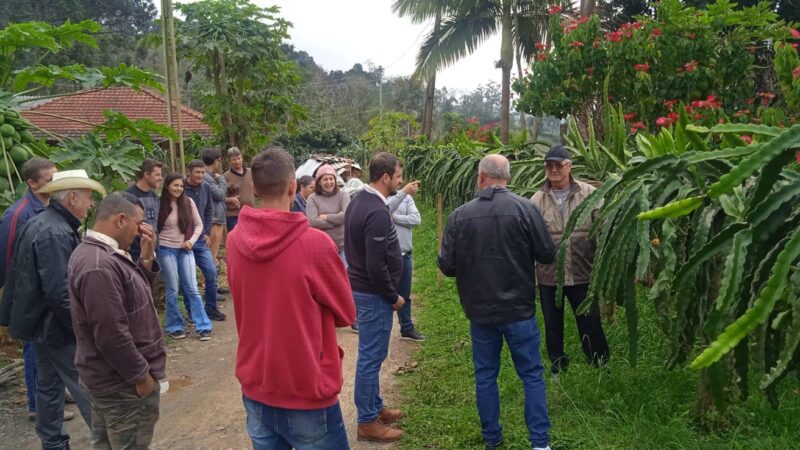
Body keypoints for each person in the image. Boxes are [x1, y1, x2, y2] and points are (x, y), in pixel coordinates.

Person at [227, 147, 356, 449]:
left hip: (257, 386)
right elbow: (347, 312)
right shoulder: (314, 244)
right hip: (306, 388)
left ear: (255, 189)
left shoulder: (234, 242)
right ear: (293, 187)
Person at [438, 155, 556, 450]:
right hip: (519, 311)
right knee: (531, 375)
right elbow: (546, 254)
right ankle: (540, 443)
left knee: (486, 377)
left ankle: (493, 439)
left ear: (480, 177)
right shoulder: (525, 209)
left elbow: (448, 266)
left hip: (480, 312)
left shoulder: (459, 216)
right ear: (508, 177)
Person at [0, 169, 105, 450]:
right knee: (87, 385)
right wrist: (80, 330)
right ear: (72, 198)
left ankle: (53, 442)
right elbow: (60, 292)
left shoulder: (42, 223)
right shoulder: (55, 232)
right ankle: (110, 441)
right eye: (88, 197)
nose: (91, 204)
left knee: (48, 386)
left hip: (39, 324)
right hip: (54, 326)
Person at [68, 192, 166, 449]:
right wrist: (141, 377)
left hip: (111, 381)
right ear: (121, 220)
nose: (139, 232)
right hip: (122, 385)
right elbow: (111, 334)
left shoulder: (101, 255)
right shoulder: (99, 265)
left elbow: (131, 298)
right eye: (137, 224)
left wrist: (145, 259)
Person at [344, 152, 406, 443]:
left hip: (365, 291)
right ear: (385, 177)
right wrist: (392, 296)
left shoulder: (360, 202)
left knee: (373, 355)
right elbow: (375, 264)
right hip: (373, 295)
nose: (400, 181)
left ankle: (375, 406)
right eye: (398, 177)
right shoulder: (376, 211)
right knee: (371, 358)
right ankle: (367, 422)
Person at [531, 145, 609, 374]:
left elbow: (602, 225)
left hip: (582, 270)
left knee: (590, 321)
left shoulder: (588, 193)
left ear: (569, 166)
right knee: (552, 325)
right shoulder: (536, 200)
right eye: (549, 166)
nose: (553, 170)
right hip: (549, 275)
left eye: (558, 165)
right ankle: (558, 365)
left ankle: (599, 364)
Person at [0, 159, 61, 422]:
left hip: (48, 291)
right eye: (49, 180)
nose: (54, 183)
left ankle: (54, 395)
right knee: (34, 350)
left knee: (53, 346)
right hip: (30, 298)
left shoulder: (52, 207)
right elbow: (8, 261)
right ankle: (38, 405)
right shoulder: (18, 215)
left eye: (55, 177)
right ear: (32, 183)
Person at [157, 173, 214, 341]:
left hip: (185, 248)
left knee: (192, 288)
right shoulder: (160, 204)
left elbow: (199, 225)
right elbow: (155, 228)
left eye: (181, 186)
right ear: (167, 186)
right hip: (166, 249)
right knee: (173, 289)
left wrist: (191, 241)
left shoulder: (188, 202)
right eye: (175, 185)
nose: (179, 189)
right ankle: (174, 326)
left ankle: (203, 326)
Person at [184, 159, 226, 321]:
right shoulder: (181, 188)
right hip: (184, 240)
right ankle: (191, 311)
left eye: (202, 172)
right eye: (197, 172)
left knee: (210, 271)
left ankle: (211, 307)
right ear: (189, 172)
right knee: (187, 278)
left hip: (201, 239)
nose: (200, 175)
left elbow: (209, 211)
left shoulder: (206, 187)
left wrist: (206, 231)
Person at [387, 180, 426, 341]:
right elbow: (385, 209)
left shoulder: (408, 199)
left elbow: (416, 219)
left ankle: (407, 327)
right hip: (388, 256)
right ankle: (384, 330)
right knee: (386, 294)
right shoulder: (383, 198)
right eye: (397, 177)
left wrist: (395, 218)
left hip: (405, 253)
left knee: (405, 293)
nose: (400, 181)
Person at [307, 164, 350, 265]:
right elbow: (312, 222)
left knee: (345, 278)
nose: (329, 182)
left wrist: (326, 217)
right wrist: (337, 221)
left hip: (343, 247)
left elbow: (346, 216)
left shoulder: (343, 195)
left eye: (331, 179)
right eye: (325, 179)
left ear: (335, 180)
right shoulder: (312, 199)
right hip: (322, 248)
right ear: (319, 182)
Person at [125, 158, 163, 262]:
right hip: (135, 253)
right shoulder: (129, 196)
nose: (161, 178)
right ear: (146, 175)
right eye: (158, 175)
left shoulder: (155, 196)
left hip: (153, 249)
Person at [202, 148, 227, 263]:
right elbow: (219, 195)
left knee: (211, 254)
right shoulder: (207, 177)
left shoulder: (208, 176)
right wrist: (222, 179)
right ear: (217, 160)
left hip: (213, 218)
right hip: (214, 219)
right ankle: (209, 280)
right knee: (211, 255)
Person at [223, 146, 255, 232]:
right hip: (234, 215)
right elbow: (221, 197)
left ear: (242, 158)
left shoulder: (251, 172)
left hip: (250, 212)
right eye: (233, 159)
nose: (237, 161)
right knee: (236, 241)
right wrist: (230, 200)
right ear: (229, 161)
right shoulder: (226, 177)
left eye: (238, 158)